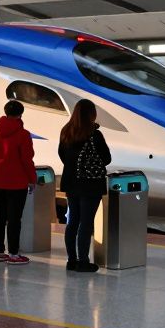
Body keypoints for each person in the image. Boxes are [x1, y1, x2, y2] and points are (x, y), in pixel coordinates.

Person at [59, 99, 112, 273]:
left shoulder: (66, 131)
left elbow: (62, 155)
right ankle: (83, 261)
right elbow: (106, 159)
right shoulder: (94, 134)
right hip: (90, 184)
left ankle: (71, 260)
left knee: (72, 221)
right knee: (86, 223)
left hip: (71, 182)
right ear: (91, 114)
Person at [0, 100, 36, 265]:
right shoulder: (23, 134)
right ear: (21, 114)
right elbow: (27, 159)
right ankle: (14, 253)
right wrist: (32, 179)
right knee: (14, 219)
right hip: (17, 182)